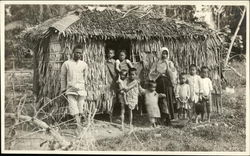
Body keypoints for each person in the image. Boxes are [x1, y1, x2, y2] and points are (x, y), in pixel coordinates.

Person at [60, 45, 88, 132]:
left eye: (80, 53)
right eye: (76, 52)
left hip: (81, 90)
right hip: (70, 90)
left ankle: (83, 124)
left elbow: (85, 77)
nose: (78, 54)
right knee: (74, 109)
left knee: (80, 109)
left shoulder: (84, 64)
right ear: (73, 53)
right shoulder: (67, 64)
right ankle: (79, 128)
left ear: (82, 54)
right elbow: (63, 77)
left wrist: (85, 87)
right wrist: (63, 89)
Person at [149, 47, 177, 126]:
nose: (164, 55)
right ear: (160, 54)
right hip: (159, 83)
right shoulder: (157, 63)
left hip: (167, 83)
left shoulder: (170, 63)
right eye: (163, 53)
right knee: (160, 100)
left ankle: (169, 119)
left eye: (166, 53)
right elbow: (151, 73)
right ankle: (161, 119)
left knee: (168, 100)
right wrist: (158, 74)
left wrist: (168, 68)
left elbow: (173, 75)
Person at [105, 49, 118, 122]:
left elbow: (115, 72)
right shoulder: (105, 62)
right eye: (108, 53)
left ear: (113, 54)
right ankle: (108, 113)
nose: (109, 54)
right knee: (107, 98)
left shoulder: (115, 62)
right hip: (107, 81)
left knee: (113, 98)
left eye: (111, 53)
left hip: (113, 82)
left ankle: (111, 114)